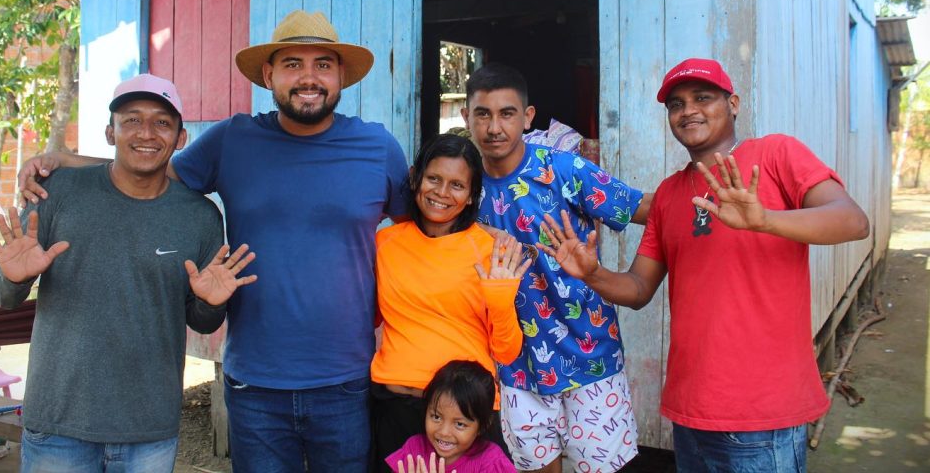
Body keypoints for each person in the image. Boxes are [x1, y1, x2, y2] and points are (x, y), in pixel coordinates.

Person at [17, 10, 411, 472]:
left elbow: (420, 235)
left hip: (346, 378)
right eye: (292, 64)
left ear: (341, 75)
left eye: (323, 64)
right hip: (256, 382)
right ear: (268, 75)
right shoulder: (233, 139)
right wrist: (65, 159)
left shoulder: (377, 147)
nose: (309, 77)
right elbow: (149, 168)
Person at [539, 57, 871, 473]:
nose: (688, 110)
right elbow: (639, 290)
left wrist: (765, 220)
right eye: (676, 104)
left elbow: (854, 222)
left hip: (761, 414)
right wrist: (592, 274)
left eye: (702, 97)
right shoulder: (669, 193)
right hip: (690, 411)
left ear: (733, 103)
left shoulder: (775, 154)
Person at [0, 73, 256, 473]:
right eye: (131, 120)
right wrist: (15, 277)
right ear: (110, 133)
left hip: (149, 426)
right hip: (59, 421)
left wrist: (210, 303)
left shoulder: (199, 216)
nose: (146, 132)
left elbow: (201, 321)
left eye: (162, 122)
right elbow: (0, 292)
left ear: (180, 139)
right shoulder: (57, 193)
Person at [461, 63, 649, 473]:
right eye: (483, 114)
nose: (494, 127)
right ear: (466, 117)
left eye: (507, 113)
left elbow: (641, 208)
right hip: (514, 368)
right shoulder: (463, 187)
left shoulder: (562, 169)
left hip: (591, 356)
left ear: (528, 117)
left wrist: (709, 205)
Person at [371, 133, 529, 468]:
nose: (442, 193)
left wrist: (500, 301)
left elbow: (507, 351)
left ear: (472, 196)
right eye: (434, 179)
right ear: (416, 178)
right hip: (396, 408)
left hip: (465, 417)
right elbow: (364, 318)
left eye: (457, 185)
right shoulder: (384, 243)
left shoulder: (490, 251)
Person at [386, 360, 518, 473]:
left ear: (482, 426)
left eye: (460, 424)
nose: (444, 432)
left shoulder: (491, 464)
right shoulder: (414, 450)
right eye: (436, 417)